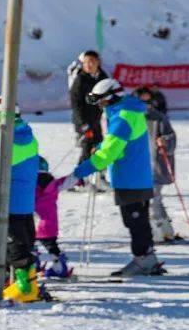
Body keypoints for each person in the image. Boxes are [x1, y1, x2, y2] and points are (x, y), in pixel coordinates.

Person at [61, 78, 163, 276]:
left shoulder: (123, 117)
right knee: (137, 220)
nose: (100, 105)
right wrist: (101, 147)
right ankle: (147, 257)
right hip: (134, 176)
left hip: (131, 178)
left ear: (112, 97)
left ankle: (143, 260)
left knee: (135, 222)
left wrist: (82, 170)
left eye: (102, 101)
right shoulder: (125, 111)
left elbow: (110, 153)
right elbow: (116, 145)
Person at [0, 98, 44, 302]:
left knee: (16, 247)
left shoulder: (10, 142)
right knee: (25, 242)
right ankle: (29, 284)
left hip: (11, 202)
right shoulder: (26, 134)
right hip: (25, 202)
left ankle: (24, 288)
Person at [143, 88, 180, 242]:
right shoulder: (131, 119)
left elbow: (171, 137)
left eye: (147, 102)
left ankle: (158, 233)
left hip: (157, 165)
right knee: (155, 198)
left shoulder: (158, 118)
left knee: (153, 199)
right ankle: (166, 230)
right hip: (142, 167)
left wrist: (164, 141)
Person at [69, 50, 109, 172]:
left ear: (98, 62)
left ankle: (98, 176)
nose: (88, 65)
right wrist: (83, 124)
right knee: (87, 147)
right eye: (85, 62)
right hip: (83, 120)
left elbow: (109, 94)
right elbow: (76, 104)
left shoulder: (103, 77)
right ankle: (79, 177)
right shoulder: (80, 79)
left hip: (96, 119)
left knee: (99, 146)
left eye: (91, 62)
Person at [35, 157, 72, 279]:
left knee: (26, 245)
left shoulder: (29, 183)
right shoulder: (53, 183)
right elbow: (68, 181)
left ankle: (34, 265)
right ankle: (59, 266)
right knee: (51, 246)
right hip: (50, 223)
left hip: (33, 221)